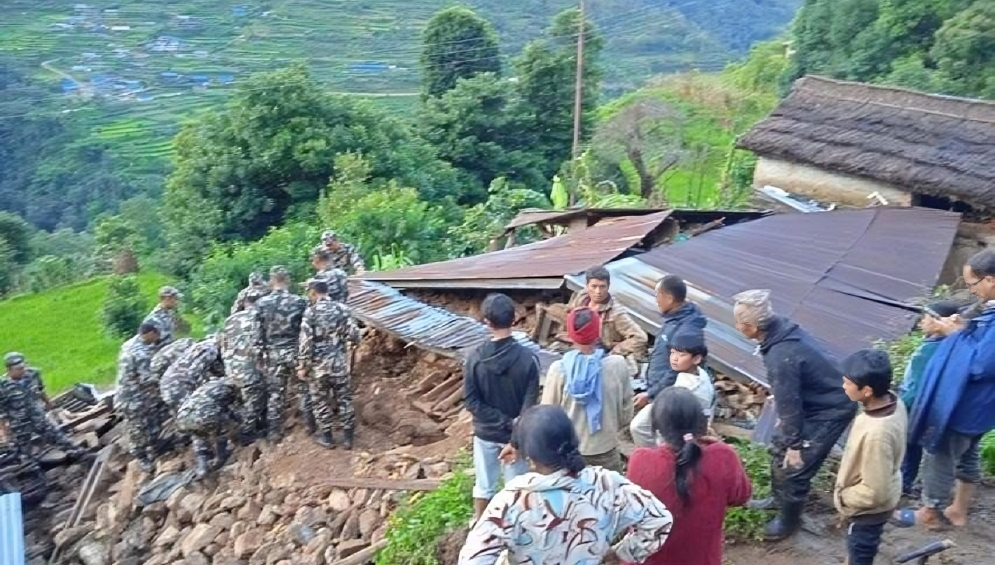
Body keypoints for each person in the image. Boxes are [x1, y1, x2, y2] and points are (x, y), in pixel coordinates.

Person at [460, 405, 673, 565]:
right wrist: (620, 553)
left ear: (530, 456)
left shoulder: (512, 501)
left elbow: (473, 559)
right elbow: (659, 520)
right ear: (573, 438)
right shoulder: (607, 483)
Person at [733, 289, 856, 540]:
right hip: (813, 401)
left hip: (830, 407)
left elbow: (790, 400)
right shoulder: (779, 332)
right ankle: (777, 500)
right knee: (778, 446)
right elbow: (788, 397)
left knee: (796, 466)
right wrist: (788, 432)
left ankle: (788, 522)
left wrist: (796, 444)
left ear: (751, 327)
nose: (736, 326)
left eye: (739, 322)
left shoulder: (781, 353)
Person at [900, 249, 995, 530]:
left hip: (967, 404)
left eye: (973, 284)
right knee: (968, 453)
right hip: (983, 407)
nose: (971, 290)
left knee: (941, 453)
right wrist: (964, 327)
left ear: (990, 280)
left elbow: (981, 365)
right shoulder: (990, 309)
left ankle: (930, 510)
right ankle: (958, 510)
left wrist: (954, 334)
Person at [627, 388, 751, 565]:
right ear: (702, 423)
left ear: (657, 427)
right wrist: (720, 446)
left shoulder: (641, 460)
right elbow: (741, 496)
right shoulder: (723, 456)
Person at [463, 293, 540, 522]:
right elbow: (529, 405)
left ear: (486, 322)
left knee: (484, 485)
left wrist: (498, 420)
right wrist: (513, 429)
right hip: (515, 438)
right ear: (514, 319)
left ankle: (479, 530)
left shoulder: (474, 359)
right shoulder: (528, 359)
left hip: (485, 433)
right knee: (518, 489)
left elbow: (471, 401)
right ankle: (519, 536)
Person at [835, 349, 907, 565]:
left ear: (866, 390)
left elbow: (875, 492)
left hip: (867, 512)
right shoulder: (892, 401)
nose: (843, 387)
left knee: (861, 551)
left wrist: (844, 497)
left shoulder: (877, 434)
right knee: (856, 548)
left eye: (847, 383)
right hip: (884, 491)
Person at [541, 307, 633, 472]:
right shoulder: (618, 365)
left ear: (570, 333)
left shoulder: (559, 369)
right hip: (605, 448)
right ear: (597, 331)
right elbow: (626, 411)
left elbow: (547, 415)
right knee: (608, 494)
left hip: (569, 452)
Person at [631, 275, 708, 447]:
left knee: (644, 428)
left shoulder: (686, 330)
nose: (656, 300)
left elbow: (677, 370)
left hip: (670, 393)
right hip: (660, 387)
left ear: (670, 298)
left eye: (658, 295)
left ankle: (658, 463)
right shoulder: (674, 319)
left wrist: (651, 394)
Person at [898, 300, 962, 496]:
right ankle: (906, 482)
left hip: (913, 405)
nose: (921, 322)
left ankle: (902, 485)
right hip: (925, 406)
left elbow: (915, 386)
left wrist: (900, 405)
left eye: (925, 317)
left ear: (938, 321)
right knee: (913, 444)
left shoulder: (930, 350)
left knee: (907, 446)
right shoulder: (943, 345)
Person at [298, 279, 361, 450]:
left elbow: (306, 342)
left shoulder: (310, 313)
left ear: (313, 292)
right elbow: (354, 334)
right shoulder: (342, 309)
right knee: (344, 399)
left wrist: (303, 366)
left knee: (320, 401)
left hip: (319, 367)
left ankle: (327, 438)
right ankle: (348, 439)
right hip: (339, 363)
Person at [553, 266, 648, 375]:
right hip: (580, 346)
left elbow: (640, 337)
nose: (598, 291)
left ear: (608, 286)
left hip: (602, 352)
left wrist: (615, 351)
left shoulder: (615, 312)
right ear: (587, 286)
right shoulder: (581, 298)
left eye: (602, 287)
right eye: (594, 286)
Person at [255, 266, 309, 441]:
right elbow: (306, 330)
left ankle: (274, 431)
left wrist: (260, 355)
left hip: (274, 353)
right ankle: (309, 424)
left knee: (276, 393)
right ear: (288, 280)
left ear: (271, 281)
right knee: (304, 388)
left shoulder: (262, 304)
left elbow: (257, 333)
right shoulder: (299, 301)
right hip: (295, 350)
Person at [116, 323, 170, 472]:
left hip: (134, 394)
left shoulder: (130, 344)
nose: (157, 340)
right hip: (134, 397)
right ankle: (142, 458)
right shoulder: (140, 355)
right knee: (138, 428)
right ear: (150, 333)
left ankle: (155, 448)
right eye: (156, 336)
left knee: (150, 422)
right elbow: (147, 380)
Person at [0, 367, 82, 462]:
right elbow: (1, 411)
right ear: (9, 370)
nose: (22, 370)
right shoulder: (3, 386)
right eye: (18, 368)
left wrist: (49, 404)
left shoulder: (32, 374)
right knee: (22, 452)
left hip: (37, 417)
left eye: (22, 367)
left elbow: (41, 391)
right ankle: (31, 471)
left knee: (56, 436)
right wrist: (5, 431)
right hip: (19, 424)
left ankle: (80, 455)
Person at [221, 290, 266, 445]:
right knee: (256, 400)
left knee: (245, 398)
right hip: (248, 368)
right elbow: (258, 343)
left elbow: (223, 344)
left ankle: (251, 424)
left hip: (231, 368)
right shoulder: (257, 317)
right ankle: (246, 432)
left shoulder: (230, 319)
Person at [175, 378, 240, 479]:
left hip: (182, 418)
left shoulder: (208, 386)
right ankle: (221, 457)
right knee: (221, 427)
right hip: (203, 415)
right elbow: (231, 410)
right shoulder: (228, 387)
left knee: (198, 435)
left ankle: (202, 467)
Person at [159, 336, 224, 414]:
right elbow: (217, 372)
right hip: (178, 384)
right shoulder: (211, 350)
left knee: (182, 415)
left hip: (167, 382)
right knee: (193, 413)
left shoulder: (203, 345)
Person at [666, 330, 715, 418]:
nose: (674, 358)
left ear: (696, 359)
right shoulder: (701, 372)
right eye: (672, 353)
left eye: (681, 355)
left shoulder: (684, 387)